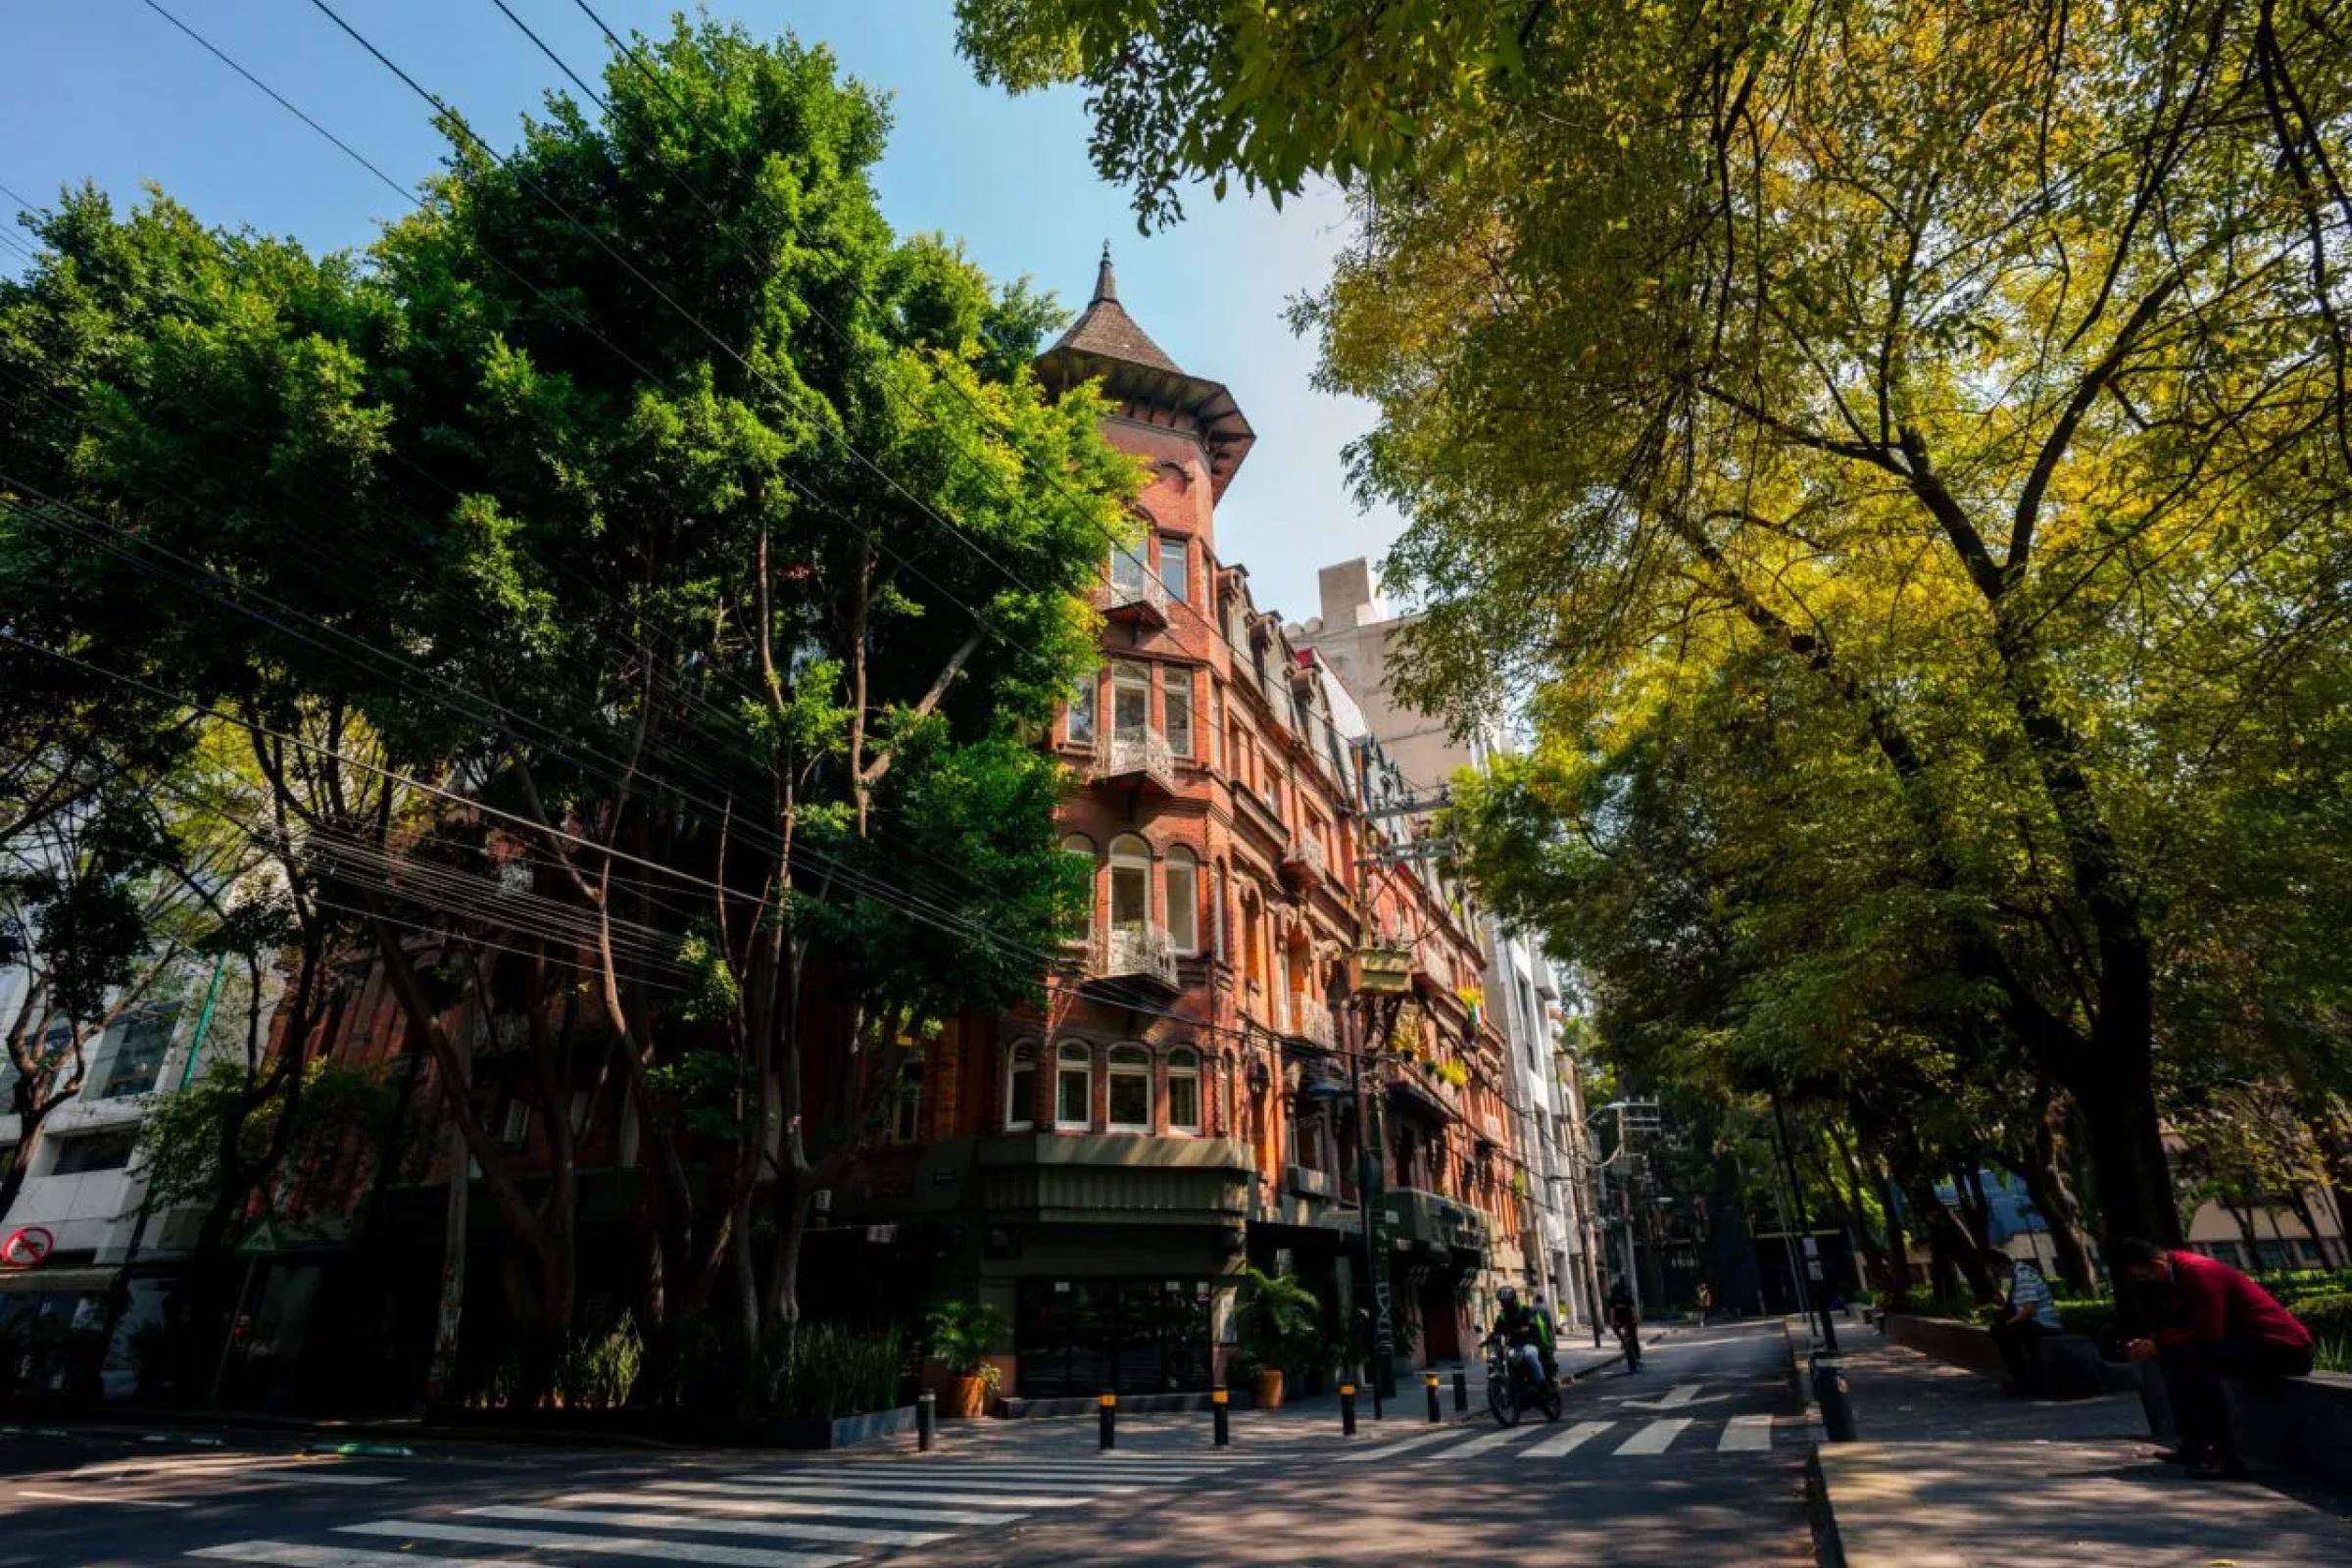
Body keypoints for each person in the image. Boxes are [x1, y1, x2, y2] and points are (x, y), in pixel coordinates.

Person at [2119, 1237, 2313, 1480]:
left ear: (2156, 1265)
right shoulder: (2180, 1271)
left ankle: (2224, 1455)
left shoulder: (2199, 1273)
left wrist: (2159, 1343)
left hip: (2282, 1349)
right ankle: (2194, 1445)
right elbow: (2189, 1327)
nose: (2149, 1283)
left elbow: (2209, 1334)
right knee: (2175, 1359)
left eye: (2145, 1277)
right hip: (2250, 1344)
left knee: (2201, 1365)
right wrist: (2157, 1343)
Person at [1984, 1250, 2062, 1394]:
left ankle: (2022, 1379)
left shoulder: (2024, 1276)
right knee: (2000, 1329)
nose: (1997, 1274)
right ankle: (2019, 1376)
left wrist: (2009, 1323)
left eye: (1994, 1270)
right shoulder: (2018, 1275)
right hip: (2035, 1322)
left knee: (2003, 1333)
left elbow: (2029, 1310)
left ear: (2001, 1265)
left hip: (2043, 1323)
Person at [1487, 1286, 1551, 1390]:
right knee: (1506, 1359)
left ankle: (1543, 1385)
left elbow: (1531, 1325)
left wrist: (1523, 1329)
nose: (1503, 1304)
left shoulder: (1524, 1310)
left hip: (1528, 1344)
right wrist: (1490, 1337)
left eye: (1505, 1301)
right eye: (1501, 1301)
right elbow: (1497, 1330)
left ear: (1512, 1300)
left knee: (1530, 1356)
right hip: (1514, 1347)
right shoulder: (1502, 1316)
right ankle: (1513, 1384)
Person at [1527, 1290, 1560, 1384]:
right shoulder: (1545, 1309)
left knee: (1537, 1357)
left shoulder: (1531, 1309)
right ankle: (1550, 1375)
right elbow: (1550, 1325)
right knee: (1549, 1355)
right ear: (1542, 1299)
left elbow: (1528, 1324)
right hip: (1545, 1336)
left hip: (1534, 1338)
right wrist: (1553, 1339)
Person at [1608, 1282, 1641, 1370]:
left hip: (1626, 1321)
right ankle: (1624, 1341)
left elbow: (1632, 1311)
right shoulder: (1616, 1299)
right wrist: (1612, 1323)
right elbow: (1612, 1312)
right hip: (1622, 1321)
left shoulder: (1623, 1299)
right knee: (1630, 1337)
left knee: (1632, 1338)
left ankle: (1636, 1355)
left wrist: (1634, 1319)